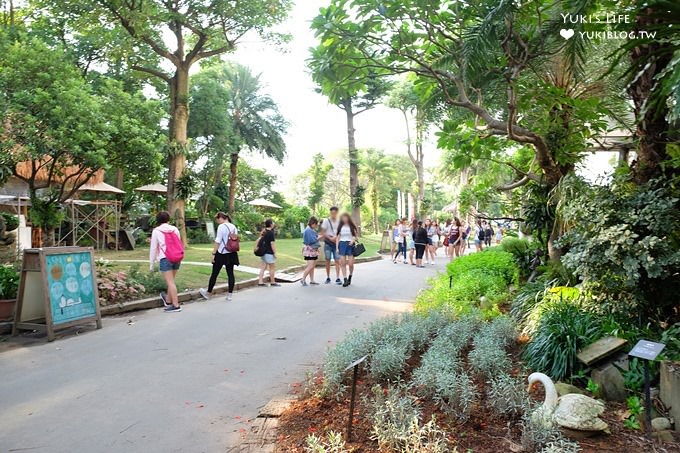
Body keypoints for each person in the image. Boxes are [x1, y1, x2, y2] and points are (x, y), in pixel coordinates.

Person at [200, 212, 240, 302]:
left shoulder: (221, 227)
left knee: (215, 273)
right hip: (231, 252)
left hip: (221, 252)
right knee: (230, 273)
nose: (217, 222)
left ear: (220, 218)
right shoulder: (233, 226)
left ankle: (208, 293)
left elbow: (218, 241)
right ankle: (230, 294)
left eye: (217, 220)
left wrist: (213, 253)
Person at [150, 211, 182, 312]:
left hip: (165, 258)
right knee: (171, 281)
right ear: (168, 219)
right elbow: (178, 242)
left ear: (158, 220)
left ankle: (176, 305)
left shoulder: (156, 231)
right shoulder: (174, 229)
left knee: (170, 283)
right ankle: (168, 300)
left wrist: (151, 263)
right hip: (176, 257)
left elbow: (153, 248)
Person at [335, 213, 358, 287]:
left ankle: (350, 276)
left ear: (348, 218)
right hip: (342, 244)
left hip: (350, 245)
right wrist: (337, 248)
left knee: (351, 264)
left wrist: (352, 241)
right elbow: (337, 238)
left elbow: (355, 236)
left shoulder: (351, 226)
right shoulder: (340, 227)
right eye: (343, 218)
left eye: (346, 218)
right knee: (343, 263)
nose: (344, 219)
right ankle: (345, 279)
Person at [256, 219, 280, 287]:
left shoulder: (264, 231)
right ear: (270, 224)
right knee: (272, 267)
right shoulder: (271, 233)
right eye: (273, 223)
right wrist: (275, 253)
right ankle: (272, 281)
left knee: (263, 267)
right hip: (269, 252)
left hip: (263, 252)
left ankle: (260, 282)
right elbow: (272, 243)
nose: (274, 224)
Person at [321, 207, 341, 285]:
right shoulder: (326, 221)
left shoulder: (339, 221)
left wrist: (335, 238)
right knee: (327, 259)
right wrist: (330, 238)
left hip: (336, 242)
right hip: (328, 242)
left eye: (334, 213)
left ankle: (338, 277)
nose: (333, 215)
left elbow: (340, 232)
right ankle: (328, 277)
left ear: (337, 213)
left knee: (337, 260)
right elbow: (323, 232)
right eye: (331, 213)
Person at [301, 217, 321, 286]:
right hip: (310, 250)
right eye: (316, 224)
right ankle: (303, 279)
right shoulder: (308, 230)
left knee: (312, 266)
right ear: (313, 224)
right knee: (310, 265)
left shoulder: (310, 229)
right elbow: (311, 240)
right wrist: (319, 237)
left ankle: (312, 280)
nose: (316, 226)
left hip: (313, 250)